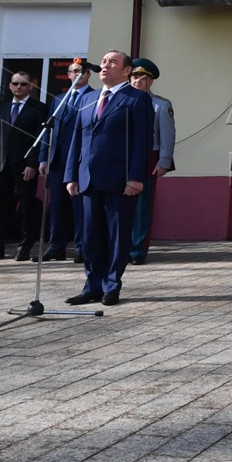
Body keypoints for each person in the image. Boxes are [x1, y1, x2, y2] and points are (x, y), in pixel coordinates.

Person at [62, 49, 153, 305]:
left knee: (116, 236)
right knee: (90, 236)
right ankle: (92, 285)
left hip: (120, 179)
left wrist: (136, 177)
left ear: (126, 71)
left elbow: (143, 142)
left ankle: (111, 285)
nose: (105, 65)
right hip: (88, 178)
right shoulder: (87, 98)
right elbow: (77, 140)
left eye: (112, 62)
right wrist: (71, 174)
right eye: (103, 62)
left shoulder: (136, 98)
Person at [0, 69, 46, 261]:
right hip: (2, 165)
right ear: (10, 85)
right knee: (0, 207)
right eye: (15, 83)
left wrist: (33, 163)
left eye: (23, 84)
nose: (19, 87)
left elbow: (40, 140)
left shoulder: (39, 108)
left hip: (25, 166)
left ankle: (25, 247)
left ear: (31, 87)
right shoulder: (3, 108)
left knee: (27, 207)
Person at [42, 59, 93, 261]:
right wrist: (42, 159)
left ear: (88, 74)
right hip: (58, 160)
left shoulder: (93, 97)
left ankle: (81, 247)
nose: (75, 75)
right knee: (58, 206)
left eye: (80, 71)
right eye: (72, 71)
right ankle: (57, 245)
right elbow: (48, 130)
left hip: (80, 160)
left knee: (80, 206)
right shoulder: (59, 99)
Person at [127, 58, 176, 265]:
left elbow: (167, 135)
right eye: (135, 77)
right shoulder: (121, 100)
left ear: (151, 81)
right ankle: (120, 246)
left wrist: (164, 161)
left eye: (143, 78)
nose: (138, 81)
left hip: (149, 157)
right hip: (122, 158)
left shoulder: (161, 105)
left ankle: (137, 250)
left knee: (141, 207)